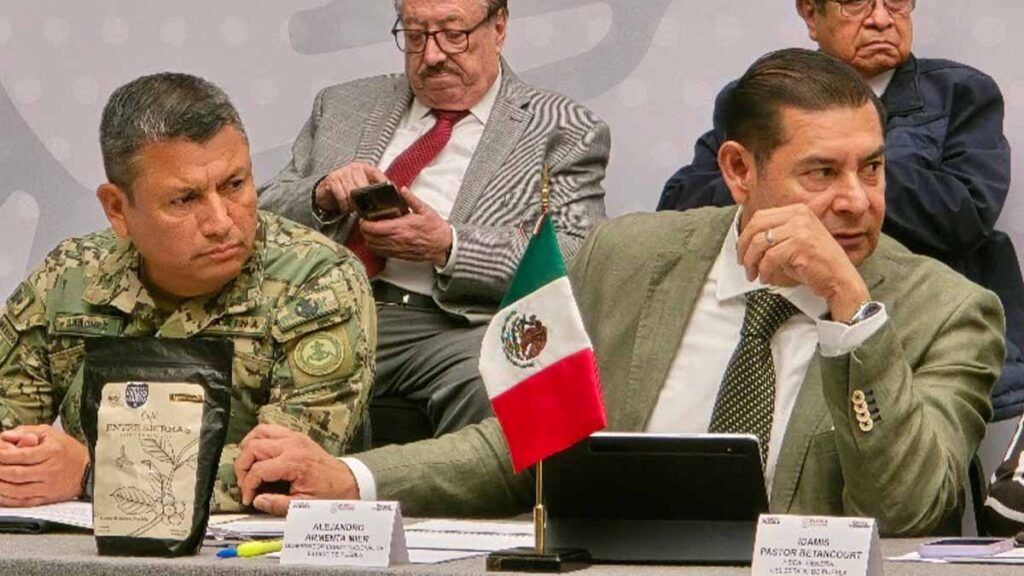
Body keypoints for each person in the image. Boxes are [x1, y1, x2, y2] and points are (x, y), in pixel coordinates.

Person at [234, 49, 1004, 537]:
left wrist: (850, 314)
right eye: (821, 173)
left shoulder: (946, 311)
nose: (858, 201)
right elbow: (528, 445)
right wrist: (352, 478)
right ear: (739, 171)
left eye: (871, 168)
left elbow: (908, 509)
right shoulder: (630, 257)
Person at [0, 73, 376, 512]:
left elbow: (287, 473)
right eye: (184, 200)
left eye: (235, 185)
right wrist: (23, 465)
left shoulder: (318, 281)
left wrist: (94, 474)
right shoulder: (68, 277)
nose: (221, 222)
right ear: (118, 209)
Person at [258, 0, 609, 440]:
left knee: (499, 386)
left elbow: (576, 257)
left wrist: (449, 246)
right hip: (324, 310)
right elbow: (259, 218)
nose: (432, 55)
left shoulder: (564, 128)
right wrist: (321, 196)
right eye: (415, 35)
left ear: (499, 27)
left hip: (454, 324)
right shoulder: (342, 105)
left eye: (453, 34)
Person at [658, 0, 1024, 420]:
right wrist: (788, 181)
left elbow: (965, 214)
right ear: (811, 15)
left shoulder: (959, 91)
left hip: (913, 329)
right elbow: (683, 206)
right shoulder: (765, 98)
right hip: (782, 323)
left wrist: (836, 167)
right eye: (855, 3)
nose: (881, 19)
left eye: (896, 1)